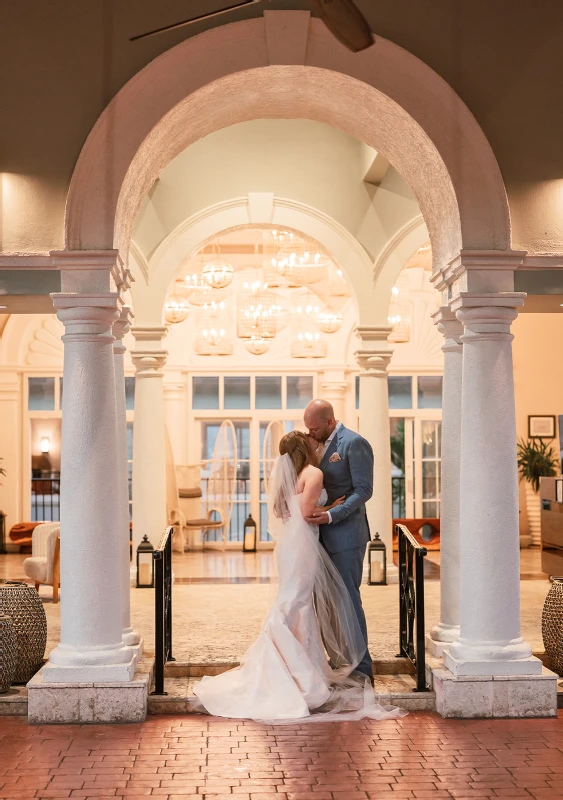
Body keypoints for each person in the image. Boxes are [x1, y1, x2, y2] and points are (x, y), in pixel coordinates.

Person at [190, 429, 405, 723]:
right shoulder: (313, 473)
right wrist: (331, 506)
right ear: (307, 445)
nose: (316, 439)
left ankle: (299, 664)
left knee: (296, 599)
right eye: (312, 438)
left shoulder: (290, 475)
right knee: (299, 600)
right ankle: (297, 666)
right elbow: (306, 512)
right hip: (304, 543)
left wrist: (326, 508)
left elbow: (284, 511)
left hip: (293, 544)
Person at [304, 399, 374, 681]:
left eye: (314, 429)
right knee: (327, 604)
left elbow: (364, 490)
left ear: (330, 422)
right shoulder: (315, 444)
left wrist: (334, 515)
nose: (310, 434)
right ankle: (339, 660)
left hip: (347, 535)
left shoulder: (354, 443)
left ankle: (362, 669)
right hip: (320, 538)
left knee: (348, 600)